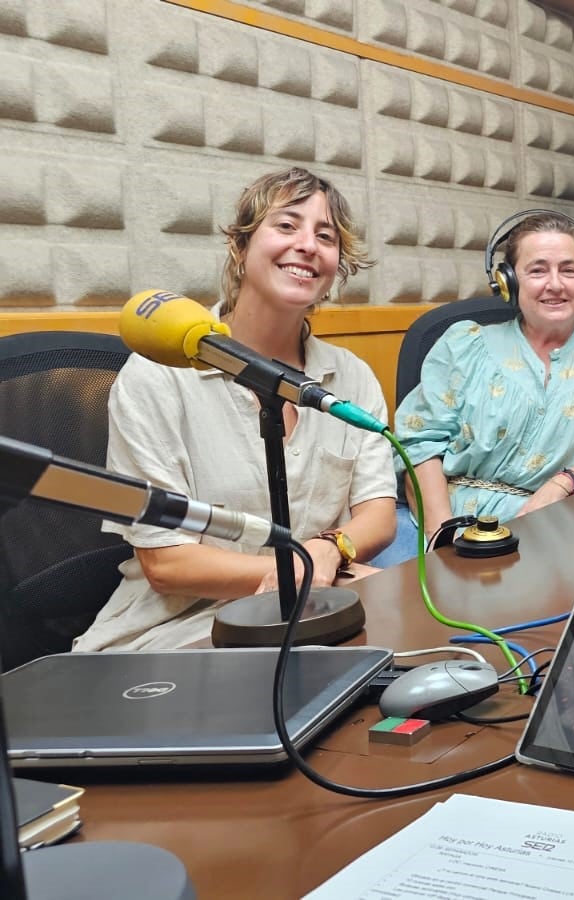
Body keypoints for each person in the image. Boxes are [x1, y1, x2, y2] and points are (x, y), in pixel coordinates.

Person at [76, 167, 396, 652]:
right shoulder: (157, 375)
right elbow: (166, 564)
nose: (308, 244)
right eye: (286, 226)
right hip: (178, 632)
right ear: (240, 248)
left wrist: (329, 549)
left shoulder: (351, 378)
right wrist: (298, 572)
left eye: (325, 236)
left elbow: (377, 514)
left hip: (313, 610)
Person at [393, 211, 574, 541]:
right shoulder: (463, 345)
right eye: (538, 270)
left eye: (569, 270)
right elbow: (419, 446)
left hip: (562, 524)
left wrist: (565, 481)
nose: (555, 284)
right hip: (453, 522)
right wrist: (442, 538)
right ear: (508, 281)